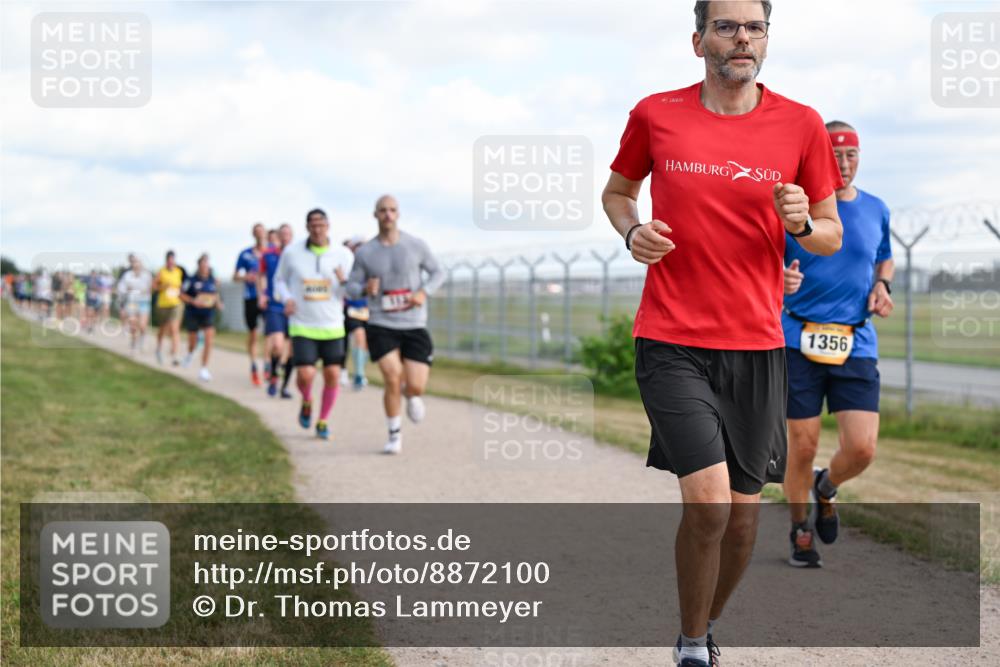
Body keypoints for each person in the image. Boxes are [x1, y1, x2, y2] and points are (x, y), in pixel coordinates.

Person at [601, 2, 844, 665]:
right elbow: (618, 191)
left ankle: (702, 623)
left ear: (767, 39)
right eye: (729, 26)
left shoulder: (800, 125)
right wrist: (632, 231)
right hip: (671, 337)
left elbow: (829, 233)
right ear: (698, 39)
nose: (743, 38)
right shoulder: (656, 113)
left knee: (742, 521)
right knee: (707, 506)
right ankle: (690, 647)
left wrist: (799, 222)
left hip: (758, 345)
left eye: (755, 27)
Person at [781, 121, 894, 568]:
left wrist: (883, 285)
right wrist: (780, 279)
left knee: (863, 448)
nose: (844, 164)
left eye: (851, 155)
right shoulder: (797, 209)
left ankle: (826, 488)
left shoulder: (876, 208)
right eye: (835, 155)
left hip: (856, 340)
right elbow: (764, 260)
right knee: (802, 446)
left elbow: (883, 255)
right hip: (798, 337)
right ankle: (800, 528)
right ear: (820, 158)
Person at [346, 195, 444, 454]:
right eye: (383, 210)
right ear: (375, 215)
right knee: (392, 376)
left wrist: (424, 292)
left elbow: (438, 272)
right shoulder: (366, 252)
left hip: (413, 323)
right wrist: (365, 287)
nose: (388, 215)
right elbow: (351, 287)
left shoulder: (415, 245)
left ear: (398, 214)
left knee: (415, 384)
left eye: (392, 210)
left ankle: (413, 396)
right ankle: (394, 435)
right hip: (381, 322)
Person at [274, 209, 355, 440]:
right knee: (306, 374)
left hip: (332, 324)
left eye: (322, 225)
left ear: (328, 226)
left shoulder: (344, 254)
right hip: (302, 323)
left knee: (332, 374)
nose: (318, 230)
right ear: (307, 227)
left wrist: (344, 282)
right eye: (313, 225)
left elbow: (351, 289)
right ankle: (307, 400)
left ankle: (323, 420)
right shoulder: (292, 253)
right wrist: (286, 298)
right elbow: (279, 280)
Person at [259, 224, 296, 398]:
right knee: (278, 345)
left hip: (295, 308)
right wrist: (262, 294)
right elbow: (262, 275)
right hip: (275, 306)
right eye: (282, 234)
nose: (285, 237)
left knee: (293, 351)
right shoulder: (269, 255)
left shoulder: (298, 255)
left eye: (288, 234)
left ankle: (284, 386)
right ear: (277, 237)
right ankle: (274, 376)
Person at [234, 222, 268, 385]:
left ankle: (268, 366)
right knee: (253, 334)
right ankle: (254, 366)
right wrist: (245, 277)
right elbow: (235, 276)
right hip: (251, 297)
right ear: (253, 234)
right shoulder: (245, 254)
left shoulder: (271, 252)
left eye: (262, 231)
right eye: (257, 232)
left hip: (268, 298)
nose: (260, 234)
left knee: (271, 334)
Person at [180, 254, 222, 381]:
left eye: (207, 265)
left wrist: (218, 303)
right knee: (193, 343)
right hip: (193, 313)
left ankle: (204, 369)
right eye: (203, 265)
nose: (205, 267)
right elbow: (181, 295)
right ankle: (190, 353)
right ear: (199, 266)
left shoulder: (212, 281)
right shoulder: (191, 280)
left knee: (209, 340)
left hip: (208, 314)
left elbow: (215, 295)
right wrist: (193, 301)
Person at [342, 234, 371, 391]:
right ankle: (358, 374)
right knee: (358, 336)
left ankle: (360, 371)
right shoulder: (347, 264)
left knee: (365, 342)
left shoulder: (372, 265)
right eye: (357, 245)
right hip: (352, 307)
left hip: (367, 308)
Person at [153, 250, 186, 366]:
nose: (171, 263)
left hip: (175, 303)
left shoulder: (178, 272)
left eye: (173, 260)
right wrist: (163, 286)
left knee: (174, 329)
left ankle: (175, 355)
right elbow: (154, 287)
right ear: (166, 261)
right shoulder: (161, 272)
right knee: (163, 329)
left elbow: (180, 287)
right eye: (169, 261)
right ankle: (158, 348)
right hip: (163, 305)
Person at [117, 254, 154, 354]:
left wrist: (139, 290)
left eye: (138, 262)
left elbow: (150, 288)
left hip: (144, 302)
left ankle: (142, 339)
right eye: (134, 263)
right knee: (133, 325)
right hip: (132, 302)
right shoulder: (127, 275)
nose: (136, 265)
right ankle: (133, 344)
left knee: (142, 325)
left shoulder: (147, 275)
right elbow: (122, 289)